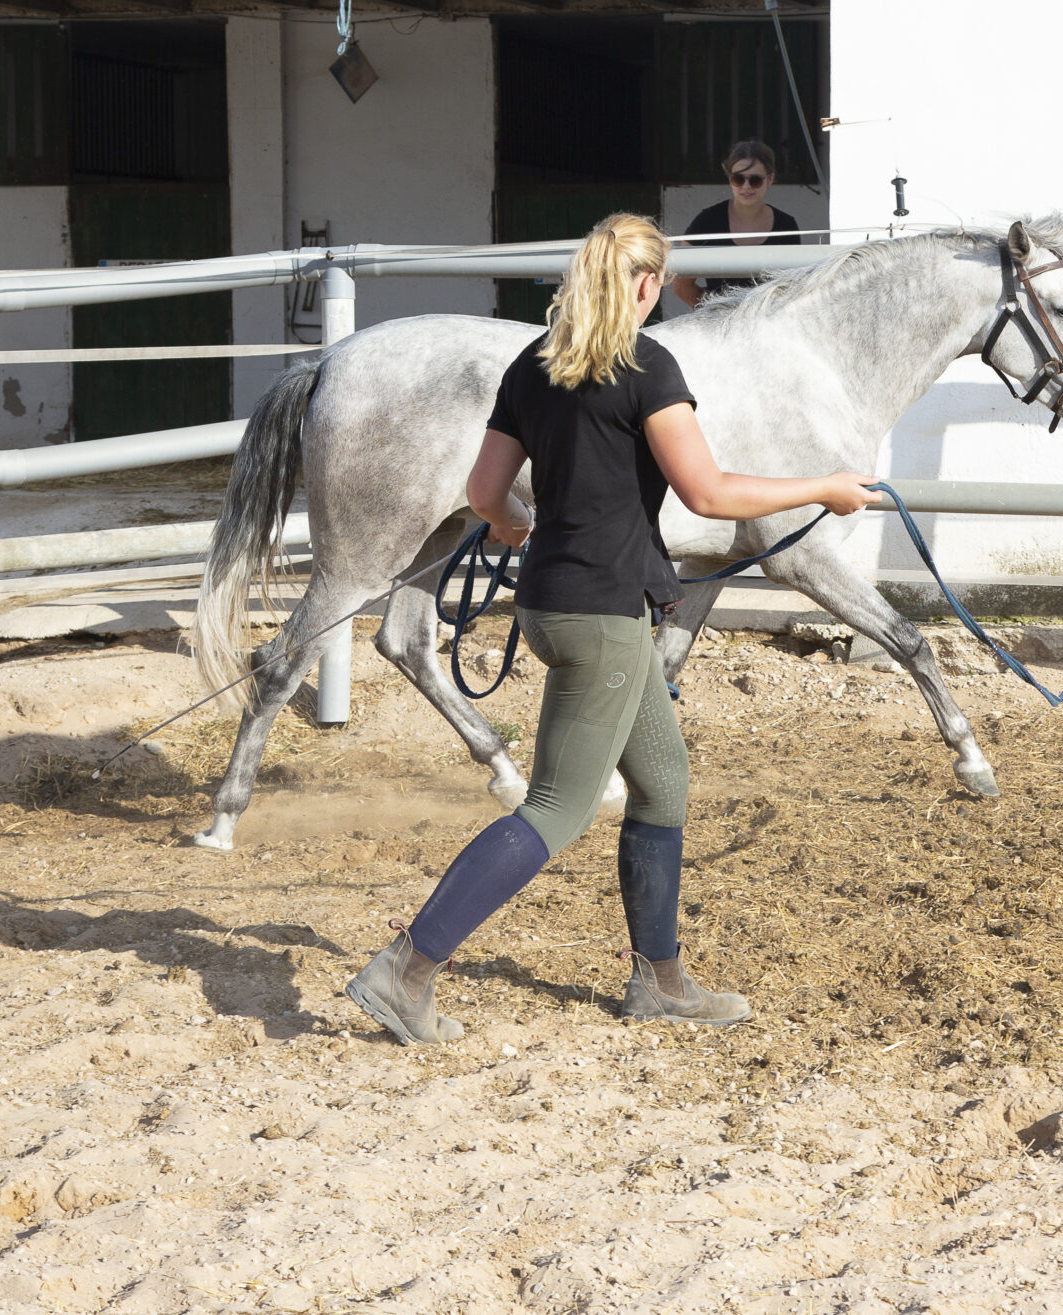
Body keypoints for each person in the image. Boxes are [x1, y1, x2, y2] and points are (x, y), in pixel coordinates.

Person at [344, 213, 877, 1044]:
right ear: (641, 283)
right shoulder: (646, 365)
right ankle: (406, 970)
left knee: (662, 780)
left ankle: (660, 979)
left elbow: (486, 492)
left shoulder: (533, 364)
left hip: (553, 600)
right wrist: (824, 487)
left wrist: (519, 522)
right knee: (558, 807)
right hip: (604, 613)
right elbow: (706, 493)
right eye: (656, 281)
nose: (656, 294)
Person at [670, 140, 803, 308]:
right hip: (719, 326)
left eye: (755, 180)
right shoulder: (707, 221)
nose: (746, 187)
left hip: (767, 325)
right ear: (730, 179)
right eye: (738, 179)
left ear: (770, 179)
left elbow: (791, 289)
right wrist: (713, 311)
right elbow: (681, 285)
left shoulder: (786, 226)